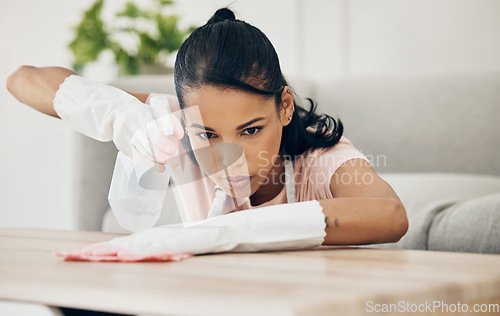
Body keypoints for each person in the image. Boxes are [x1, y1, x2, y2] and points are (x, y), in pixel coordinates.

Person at [7, 8, 408, 259]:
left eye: (251, 129)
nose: (232, 156)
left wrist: (227, 232)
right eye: (209, 135)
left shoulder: (322, 159)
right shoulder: (178, 123)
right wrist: (120, 116)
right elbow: (22, 79)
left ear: (284, 106)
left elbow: (390, 215)